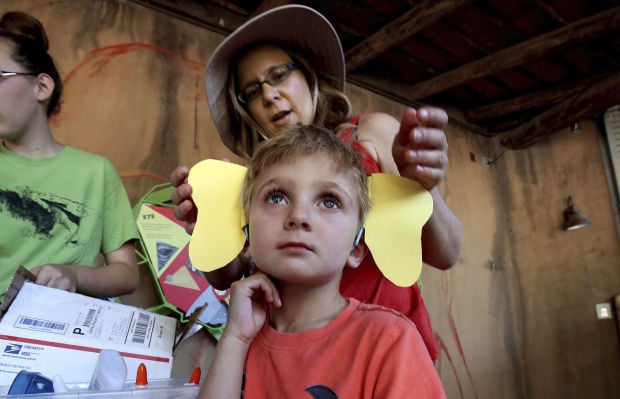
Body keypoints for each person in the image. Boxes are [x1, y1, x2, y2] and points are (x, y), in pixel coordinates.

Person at [171, 5, 462, 360]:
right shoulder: (253, 178)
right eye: (252, 91)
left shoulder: (372, 133)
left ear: (308, 76)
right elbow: (228, 277)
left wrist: (424, 188)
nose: (269, 95)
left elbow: (446, 254)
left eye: (278, 75)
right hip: (295, 361)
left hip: (392, 356)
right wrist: (208, 225)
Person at [198, 125, 446, 398]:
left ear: (356, 248)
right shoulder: (241, 336)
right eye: (276, 197)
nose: (298, 216)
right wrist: (235, 340)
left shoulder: (390, 340)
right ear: (245, 236)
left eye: (329, 202)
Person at [0, 11, 139, 299]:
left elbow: (126, 273)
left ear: (41, 87)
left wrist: (74, 275)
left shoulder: (97, 172)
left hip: (62, 334)